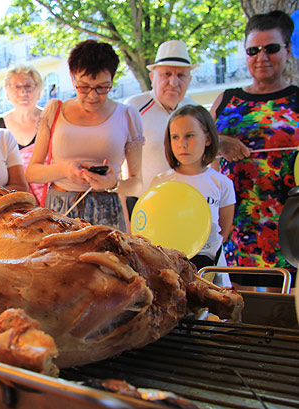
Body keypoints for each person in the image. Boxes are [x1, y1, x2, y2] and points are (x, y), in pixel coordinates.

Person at [210, 10, 299, 290]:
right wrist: (219, 142)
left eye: (271, 48)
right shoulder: (227, 99)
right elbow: (198, 146)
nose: (261, 57)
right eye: (253, 50)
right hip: (236, 222)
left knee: (281, 310)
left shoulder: (296, 98)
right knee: (239, 306)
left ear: (286, 50)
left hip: (287, 223)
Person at [26, 39, 144, 231]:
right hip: (60, 211)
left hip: (109, 211)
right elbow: (32, 172)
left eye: (102, 87)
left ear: (112, 80)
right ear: (73, 79)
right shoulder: (54, 110)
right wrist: (65, 170)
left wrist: (112, 184)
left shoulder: (127, 116)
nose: (93, 95)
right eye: (84, 86)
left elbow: (137, 184)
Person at [152, 105, 235, 283]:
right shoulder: (160, 183)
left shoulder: (222, 184)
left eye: (189, 135)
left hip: (211, 271)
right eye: (175, 137)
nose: (182, 144)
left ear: (207, 138)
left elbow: (224, 232)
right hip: (171, 271)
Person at [123, 40, 197, 213]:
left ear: (189, 80)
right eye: (166, 74)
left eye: (181, 75)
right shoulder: (134, 108)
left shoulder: (193, 110)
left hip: (184, 206)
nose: (173, 82)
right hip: (142, 206)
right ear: (152, 77)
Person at [0, 65, 44, 200]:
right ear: (7, 92)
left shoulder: (51, 119)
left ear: (39, 90)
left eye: (29, 86)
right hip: (12, 203)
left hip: (50, 202)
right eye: (16, 86)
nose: (23, 92)